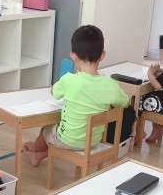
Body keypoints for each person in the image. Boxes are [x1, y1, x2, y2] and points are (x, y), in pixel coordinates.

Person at [22, 25, 129, 167]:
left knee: (46, 130)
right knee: (62, 131)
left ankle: (35, 149)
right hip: (93, 141)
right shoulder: (111, 85)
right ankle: (38, 155)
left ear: (73, 55)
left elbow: (54, 92)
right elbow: (125, 103)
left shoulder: (69, 80)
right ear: (102, 55)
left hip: (67, 140)